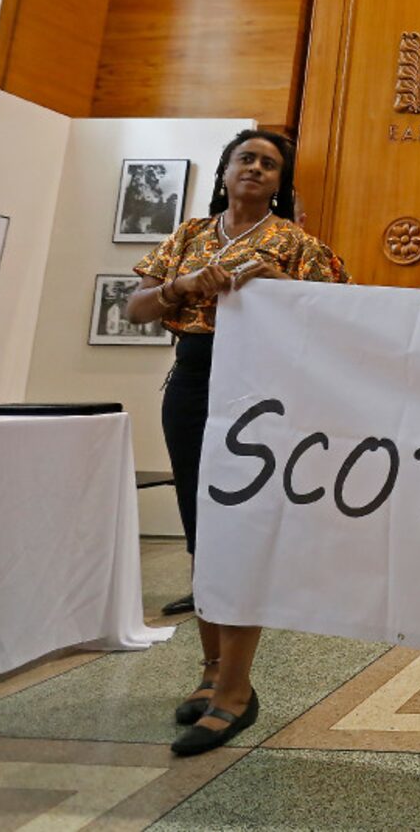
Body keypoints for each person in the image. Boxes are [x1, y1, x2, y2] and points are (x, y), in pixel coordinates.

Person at [125, 129, 350, 757]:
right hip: (192, 383)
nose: (255, 168)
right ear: (225, 170)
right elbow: (137, 309)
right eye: (245, 158)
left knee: (242, 531)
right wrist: (182, 285)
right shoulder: (191, 235)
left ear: (282, 182)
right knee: (201, 530)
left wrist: (283, 288)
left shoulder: (297, 244)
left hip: (262, 391)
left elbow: (339, 321)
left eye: (269, 163)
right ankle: (209, 669)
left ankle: (236, 690)